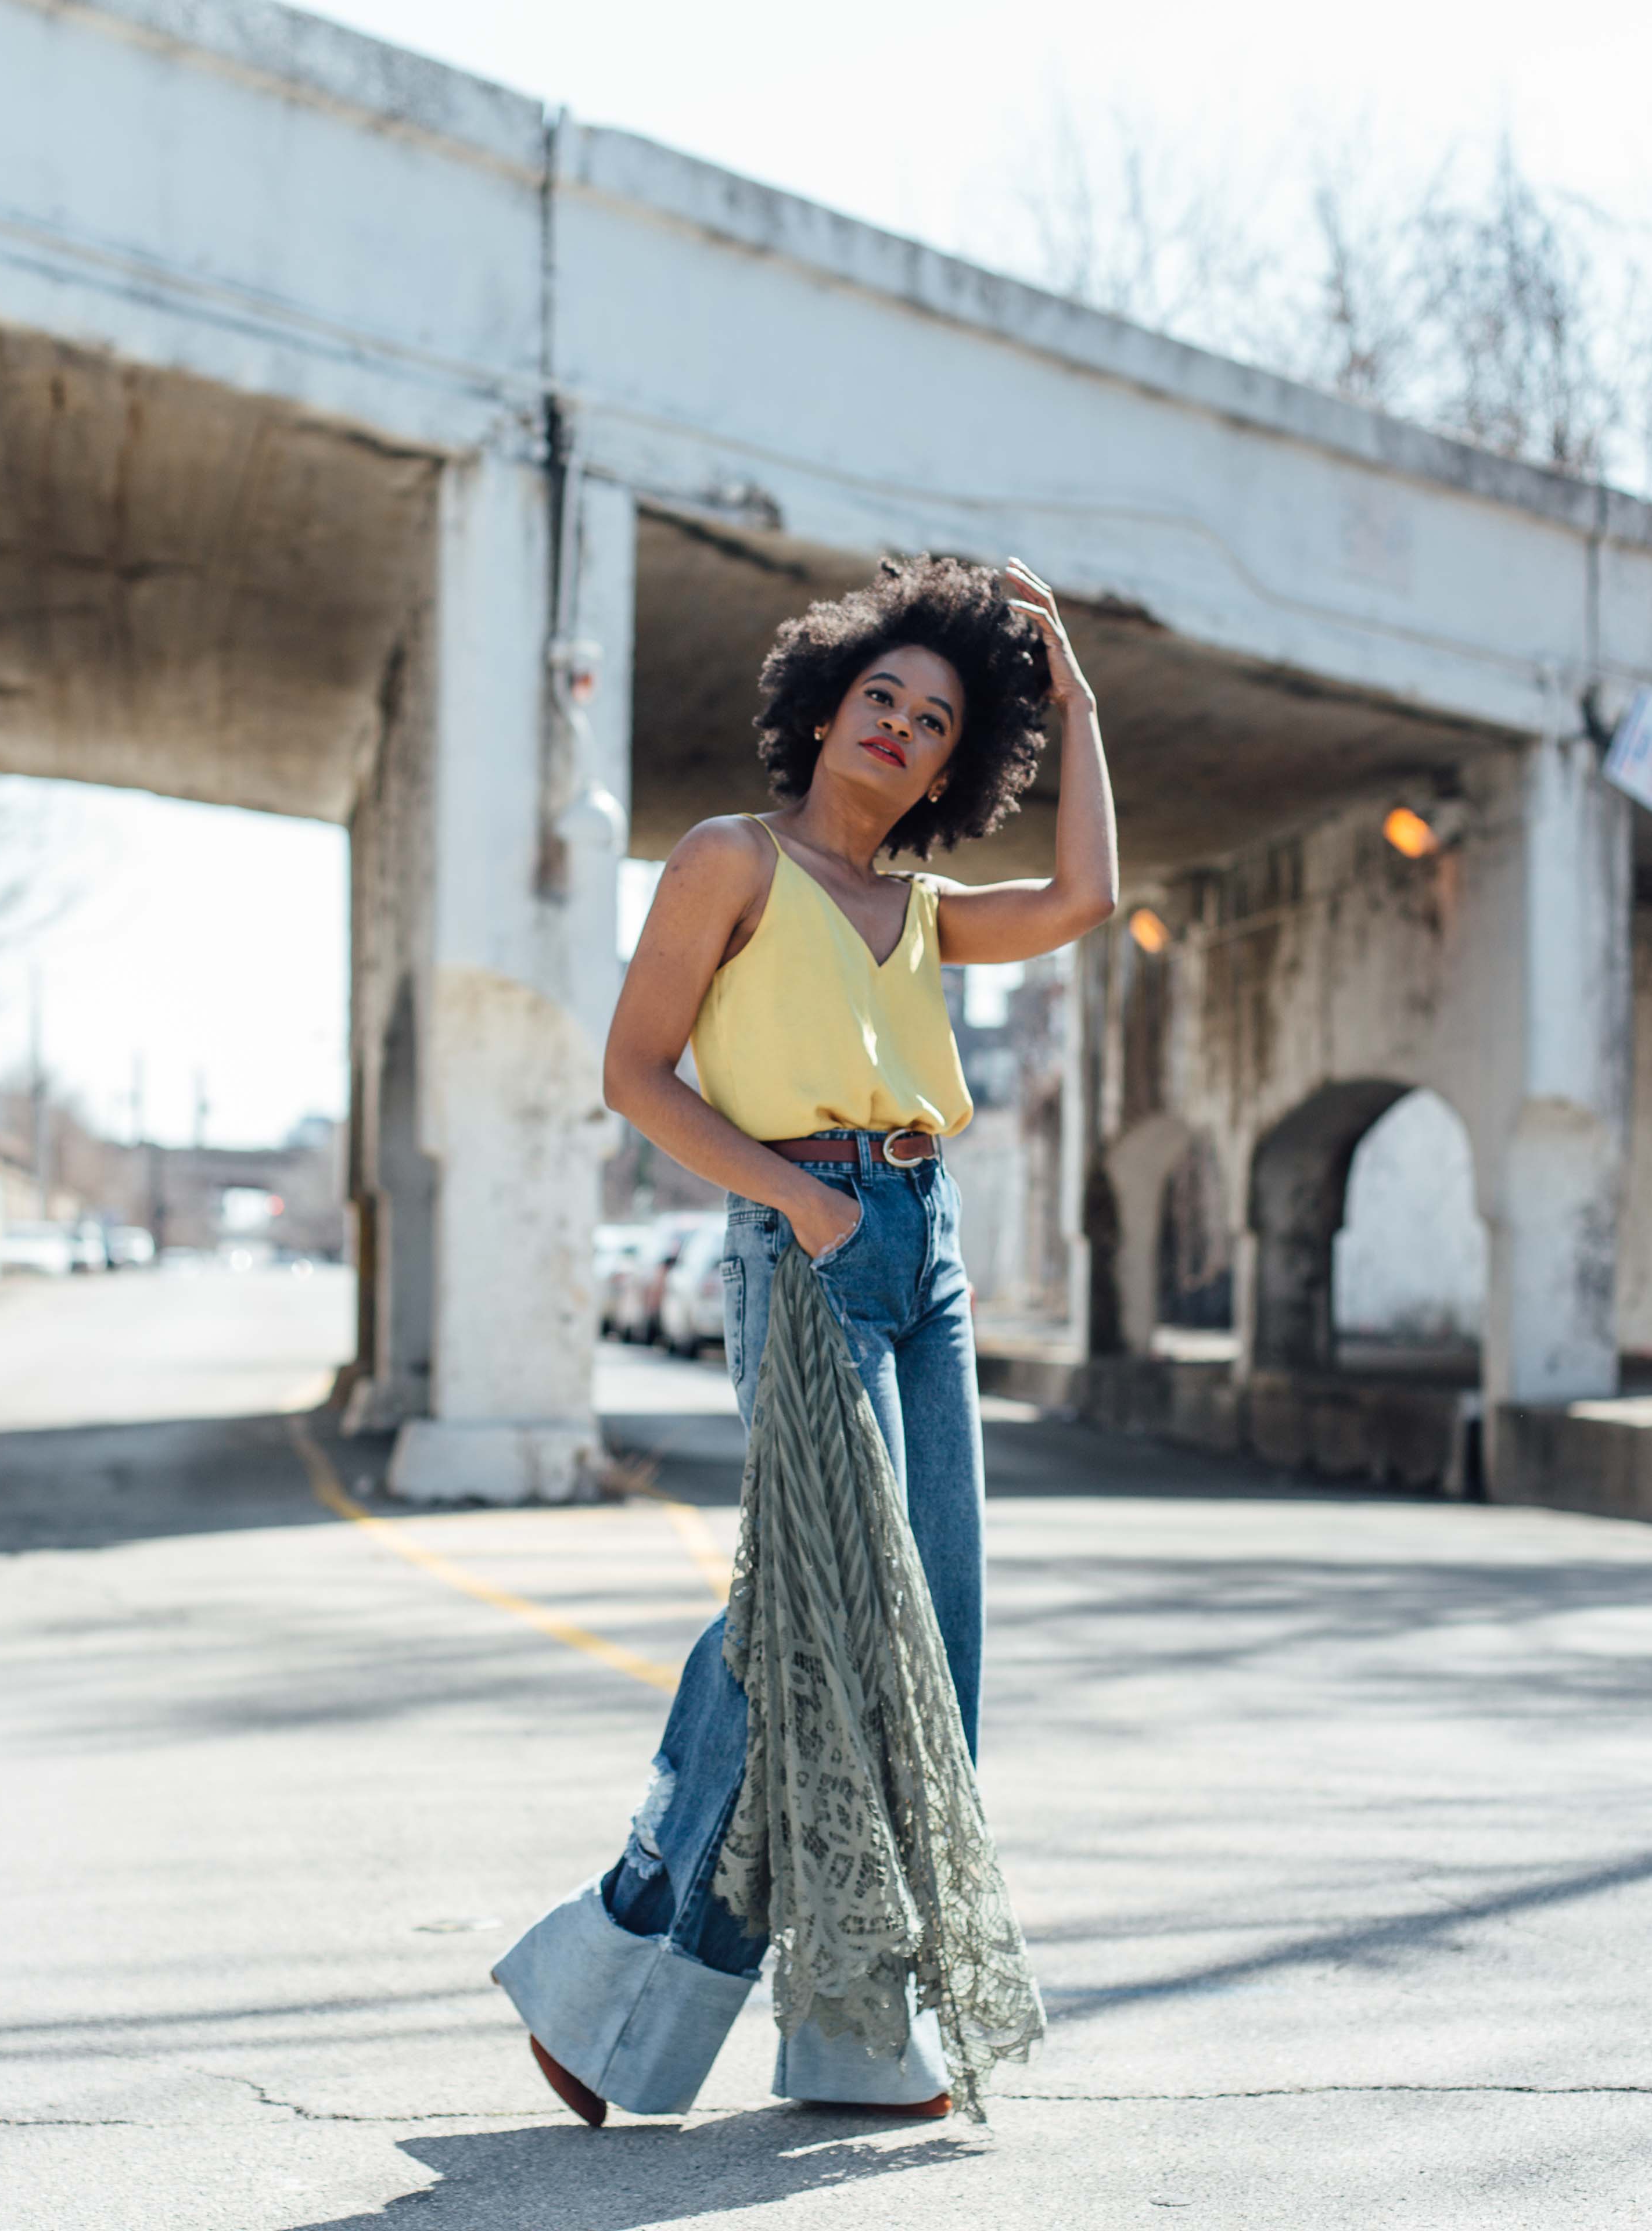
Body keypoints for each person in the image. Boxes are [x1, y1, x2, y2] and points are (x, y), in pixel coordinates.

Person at [491, 553, 1118, 2124]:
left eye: (937, 720)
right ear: (827, 709)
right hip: (811, 1239)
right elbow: (639, 1076)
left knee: (937, 1630)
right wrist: (803, 1205)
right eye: (881, 699)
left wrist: (1079, 700)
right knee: (811, 1623)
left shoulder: (918, 913)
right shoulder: (731, 862)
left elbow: (1086, 899)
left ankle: (856, 2026)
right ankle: (611, 1965)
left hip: (929, 1246)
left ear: (955, 759)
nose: (900, 729)